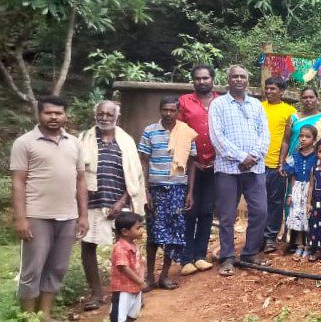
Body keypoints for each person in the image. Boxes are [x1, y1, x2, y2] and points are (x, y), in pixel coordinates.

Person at [10, 96, 88, 316]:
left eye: (58, 113)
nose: (54, 117)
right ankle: (27, 317)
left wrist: (83, 216)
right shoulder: (24, 143)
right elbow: (18, 182)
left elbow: (81, 180)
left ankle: (44, 315)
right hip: (37, 216)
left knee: (57, 268)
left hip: (68, 216)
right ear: (39, 115)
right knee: (32, 270)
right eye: (48, 113)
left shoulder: (74, 143)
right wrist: (21, 218)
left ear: (65, 116)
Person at [77, 100, 146, 309]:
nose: (104, 118)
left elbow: (135, 176)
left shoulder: (126, 141)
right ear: (95, 115)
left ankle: (131, 292)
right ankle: (97, 294)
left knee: (127, 249)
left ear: (117, 117)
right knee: (88, 246)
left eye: (109, 114)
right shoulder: (83, 139)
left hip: (121, 203)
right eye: (101, 114)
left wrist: (122, 201)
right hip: (92, 202)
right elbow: (78, 174)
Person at [208, 64, 271, 276]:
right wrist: (242, 157)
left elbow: (265, 135)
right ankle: (227, 257)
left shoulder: (256, 105)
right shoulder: (218, 104)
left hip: (255, 168)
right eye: (234, 76)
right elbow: (217, 137)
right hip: (228, 169)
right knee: (227, 216)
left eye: (242, 76)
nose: (238, 80)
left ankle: (250, 253)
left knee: (261, 211)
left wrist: (253, 156)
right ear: (228, 80)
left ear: (247, 80)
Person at [137, 97, 198, 291]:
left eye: (172, 110)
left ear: (178, 111)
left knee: (174, 234)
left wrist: (190, 192)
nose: (168, 114)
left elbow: (191, 163)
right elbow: (144, 161)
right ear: (160, 110)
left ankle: (164, 276)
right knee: (153, 234)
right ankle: (149, 277)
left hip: (178, 189)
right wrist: (145, 190)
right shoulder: (150, 131)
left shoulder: (186, 132)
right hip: (156, 189)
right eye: (165, 110)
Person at [178, 65, 220, 275]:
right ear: (193, 81)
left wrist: (218, 159)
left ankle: (201, 255)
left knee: (206, 210)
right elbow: (179, 132)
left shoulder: (221, 101)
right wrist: (189, 160)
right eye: (198, 79)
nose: (202, 82)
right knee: (189, 209)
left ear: (213, 79)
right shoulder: (185, 102)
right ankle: (186, 257)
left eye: (206, 78)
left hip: (215, 164)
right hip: (191, 165)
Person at [261, 76, 297, 254]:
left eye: (273, 89)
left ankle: (270, 237)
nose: (269, 91)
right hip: (257, 164)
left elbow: (288, 139)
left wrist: (282, 162)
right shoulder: (258, 107)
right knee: (258, 202)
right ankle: (257, 237)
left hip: (277, 164)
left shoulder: (290, 112)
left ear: (282, 91)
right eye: (267, 88)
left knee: (275, 202)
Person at [283, 126, 318, 261]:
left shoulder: (316, 156)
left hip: (311, 190)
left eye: (307, 136)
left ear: (314, 139)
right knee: (297, 216)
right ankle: (300, 245)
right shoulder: (295, 156)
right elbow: (292, 176)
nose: (303, 139)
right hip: (297, 188)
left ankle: (309, 246)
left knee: (308, 218)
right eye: (301, 136)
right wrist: (290, 194)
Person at [279, 87, 321, 167]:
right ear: (301, 100)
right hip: (293, 160)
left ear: (317, 99)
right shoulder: (293, 118)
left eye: (311, 97)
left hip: (316, 162)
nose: (308, 100)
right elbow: (286, 141)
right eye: (305, 97)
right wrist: (281, 162)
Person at [109, 212, 145, 322]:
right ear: (125, 231)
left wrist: (141, 280)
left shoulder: (133, 245)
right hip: (123, 290)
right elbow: (123, 267)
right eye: (138, 228)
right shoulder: (120, 248)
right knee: (119, 318)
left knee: (131, 316)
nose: (142, 230)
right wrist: (140, 281)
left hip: (135, 289)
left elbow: (140, 265)